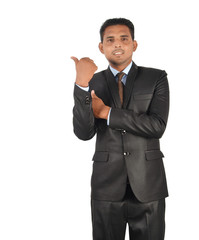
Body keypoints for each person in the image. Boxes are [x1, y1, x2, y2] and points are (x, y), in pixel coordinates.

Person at [71, 18, 169, 240]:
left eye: (124, 39)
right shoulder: (91, 81)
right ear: (101, 46)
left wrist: (107, 113)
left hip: (148, 184)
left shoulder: (156, 78)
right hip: (106, 186)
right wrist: (81, 86)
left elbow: (157, 126)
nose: (117, 44)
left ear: (134, 44)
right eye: (110, 40)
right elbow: (83, 133)